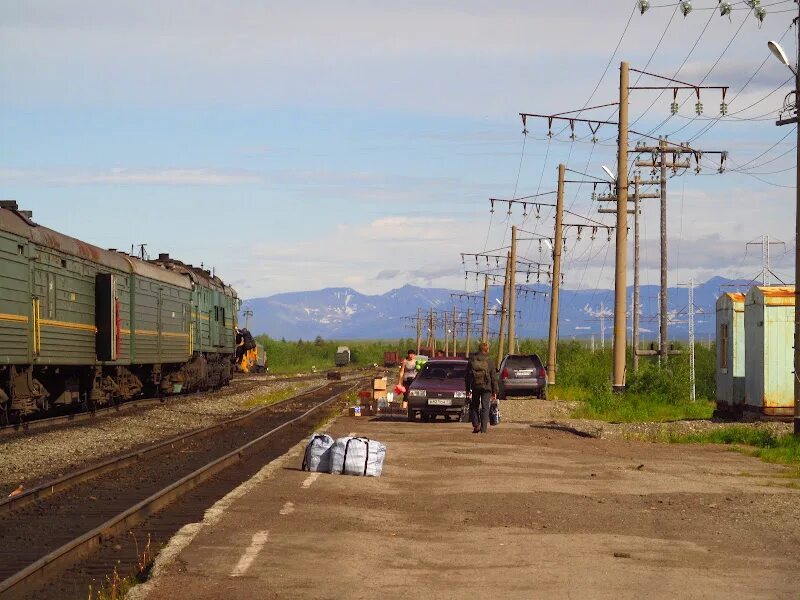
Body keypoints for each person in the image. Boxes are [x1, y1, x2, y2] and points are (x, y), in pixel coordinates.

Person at [465, 342, 498, 434]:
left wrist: (467, 389)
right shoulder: (489, 361)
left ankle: (476, 424)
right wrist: (495, 391)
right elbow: (494, 377)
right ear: (486, 350)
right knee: (485, 407)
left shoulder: (472, 360)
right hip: (487, 387)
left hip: (475, 386)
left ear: (479, 349)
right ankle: (484, 429)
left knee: (474, 406)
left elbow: (467, 376)